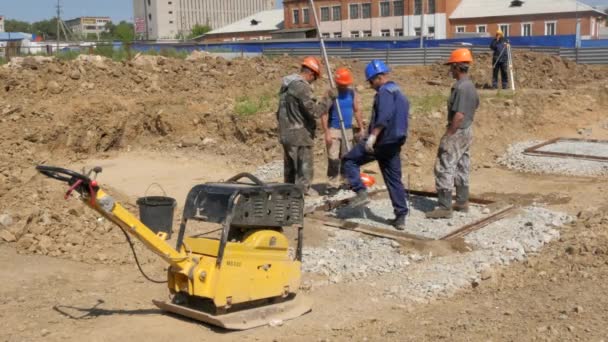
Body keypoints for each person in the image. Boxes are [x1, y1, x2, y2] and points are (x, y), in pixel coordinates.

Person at [342, 60, 409, 230]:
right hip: (395, 142)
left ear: (378, 77)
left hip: (381, 141)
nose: (371, 85)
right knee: (394, 179)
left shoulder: (385, 92)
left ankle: (361, 191)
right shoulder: (399, 92)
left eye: (371, 81)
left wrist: (372, 136)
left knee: (349, 160)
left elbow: (384, 116)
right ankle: (401, 216)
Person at [426, 48, 480, 219]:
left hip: (457, 130)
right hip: (467, 130)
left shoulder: (461, 87)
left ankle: (444, 207)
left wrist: (449, 134)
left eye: (451, 66)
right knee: (462, 164)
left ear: (457, 66)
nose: (450, 70)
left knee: (445, 166)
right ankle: (462, 201)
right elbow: (475, 105)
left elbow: (459, 114)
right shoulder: (470, 85)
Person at [277, 56, 333, 196]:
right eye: (315, 78)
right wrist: (328, 98)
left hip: (286, 132)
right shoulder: (301, 87)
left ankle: (288, 194)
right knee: (304, 168)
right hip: (299, 135)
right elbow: (315, 112)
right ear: (311, 74)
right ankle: (301, 195)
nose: (314, 82)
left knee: (290, 168)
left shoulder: (287, 85)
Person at [320, 67, 365, 193]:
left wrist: (361, 127)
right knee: (333, 158)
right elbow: (324, 113)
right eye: (341, 84)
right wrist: (327, 133)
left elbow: (356, 110)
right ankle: (332, 185)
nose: (343, 86)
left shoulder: (352, 93)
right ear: (337, 82)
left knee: (347, 158)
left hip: (348, 130)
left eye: (345, 84)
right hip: (334, 129)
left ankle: (346, 182)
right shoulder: (331, 93)